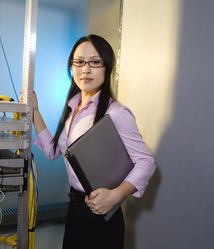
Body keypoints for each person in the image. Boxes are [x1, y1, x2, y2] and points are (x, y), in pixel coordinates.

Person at [32, 34, 156, 249]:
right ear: (71, 66)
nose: (85, 69)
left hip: (101, 214)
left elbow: (146, 162)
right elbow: (53, 151)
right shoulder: (73, 108)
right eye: (79, 62)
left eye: (95, 62)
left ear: (107, 67)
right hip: (74, 210)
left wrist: (116, 195)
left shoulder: (116, 113)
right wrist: (34, 112)